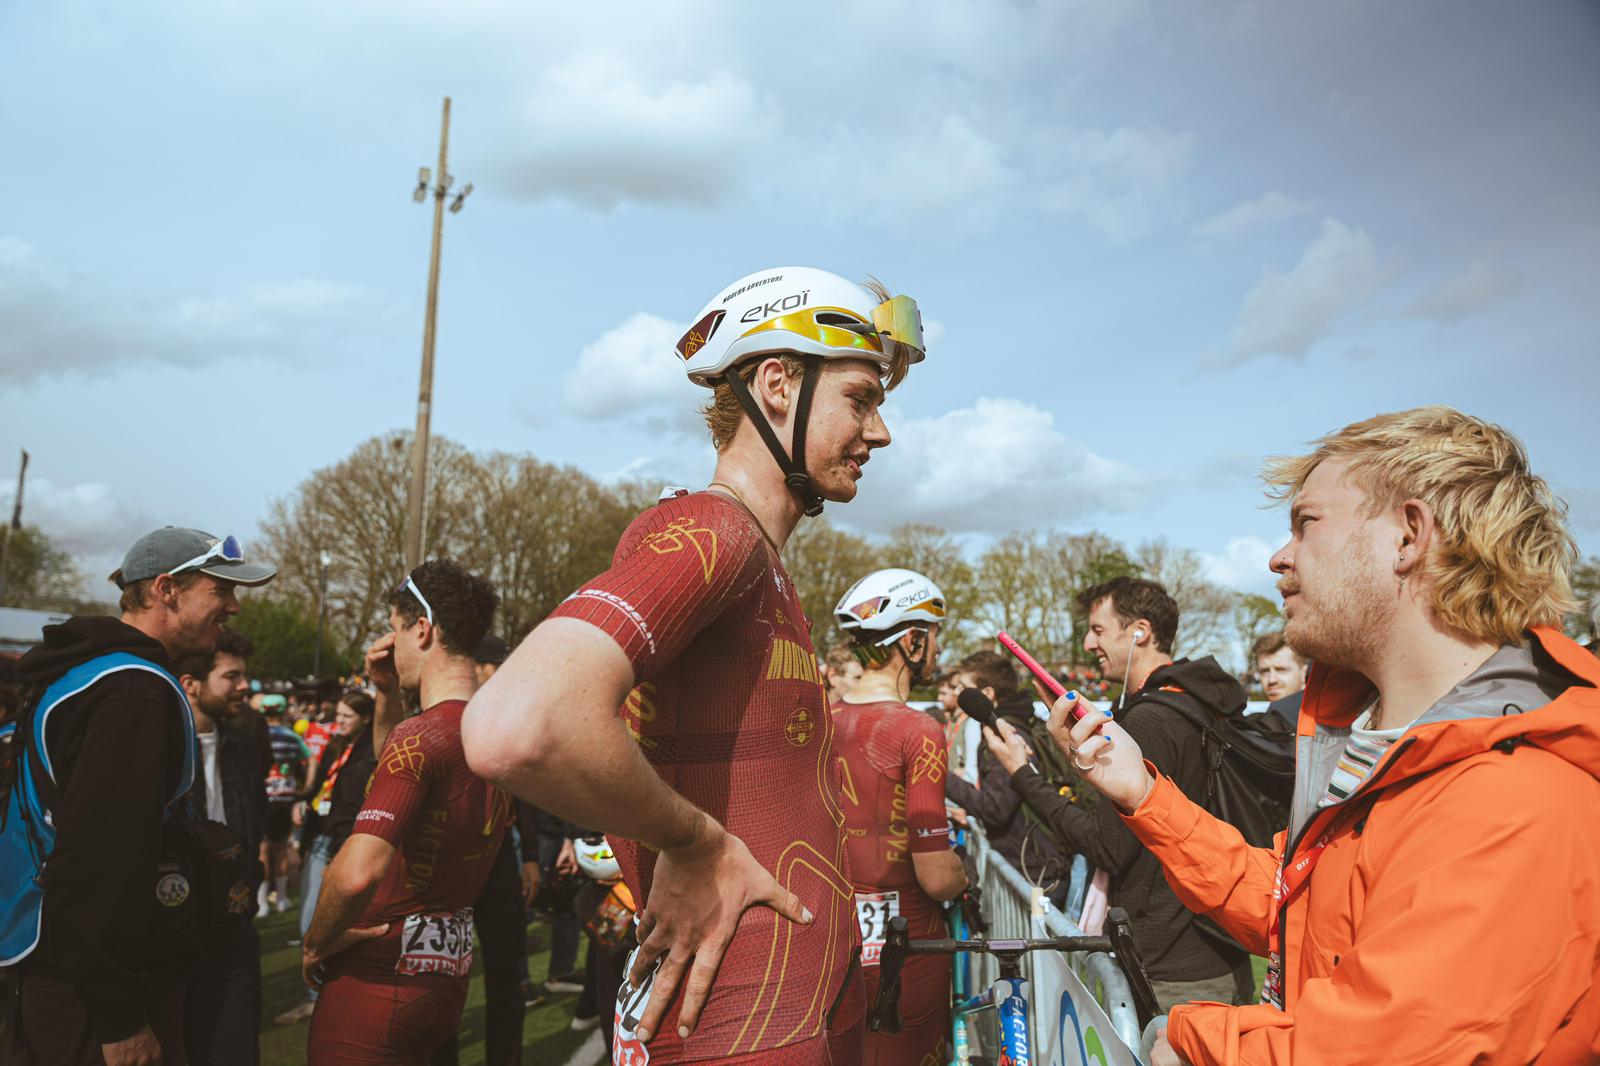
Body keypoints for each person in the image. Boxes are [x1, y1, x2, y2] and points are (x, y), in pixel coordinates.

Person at [463, 265, 929, 1063]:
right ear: (778, 383)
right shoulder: (712, 532)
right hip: (736, 1030)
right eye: (861, 397)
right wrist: (693, 842)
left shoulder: (762, 561)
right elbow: (518, 723)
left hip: (802, 1012)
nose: (880, 432)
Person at [1053, 407, 1600, 1065]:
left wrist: (1184, 1036)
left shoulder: (1517, 795)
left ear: (1408, 535)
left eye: (1305, 524)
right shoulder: (1379, 738)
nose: (1279, 557)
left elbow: (1376, 1049)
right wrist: (1142, 792)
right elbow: (1293, 906)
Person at [8, 527, 275, 1066]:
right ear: (166, 589)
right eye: (220, 589)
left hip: (54, 961)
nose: (234, 607)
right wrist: (120, 1019)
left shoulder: (93, 672)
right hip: (82, 982)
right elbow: (97, 863)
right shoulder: (133, 691)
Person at [986, 577, 1254, 1009]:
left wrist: (1022, 774)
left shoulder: (1151, 721)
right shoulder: (1197, 701)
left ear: (1140, 631)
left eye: (1097, 629)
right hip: (1213, 943)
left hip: (1173, 969)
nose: (1089, 643)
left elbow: (1106, 845)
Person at [303, 559, 508, 1064]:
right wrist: (386, 693)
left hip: (376, 981)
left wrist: (316, 940)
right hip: (445, 983)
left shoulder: (421, 737)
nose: (389, 643)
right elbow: (399, 778)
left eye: (395, 629)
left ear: (423, 630)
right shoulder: (497, 735)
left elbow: (356, 875)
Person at [830, 567, 967, 1065]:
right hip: (906, 951)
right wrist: (962, 873)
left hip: (830, 944)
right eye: (934, 637)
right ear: (911, 640)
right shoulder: (918, 729)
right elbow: (936, 876)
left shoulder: (821, 720)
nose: (938, 650)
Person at [173, 627, 269, 1066]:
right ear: (190, 685)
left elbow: (254, 821)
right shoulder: (162, 748)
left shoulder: (243, 746)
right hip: (174, 931)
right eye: (232, 676)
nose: (245, 686)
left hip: (234, 927)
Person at [274, 689, 379, 1026]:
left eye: (347, 717)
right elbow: (319, 784)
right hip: (317, 837)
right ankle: (316, 999)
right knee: (309, 924)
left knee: (330, 925)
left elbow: (355, 802)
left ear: (365, 718)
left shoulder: (371, 753)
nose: (339, 723)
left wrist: (340, 855)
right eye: (338, 716)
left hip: (342, 844)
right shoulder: (335, 746)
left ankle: (339, 1000)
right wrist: (301, 801)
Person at [943, 651, 1066, 886]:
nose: (958, 695)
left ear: (987, 694)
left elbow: (995, 808)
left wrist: (940, 776)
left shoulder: (1007, 737)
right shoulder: (1012, 724)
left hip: (1033, 869)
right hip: (1030, 862)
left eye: (963, 688)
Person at [261, 697, 313, 916]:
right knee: (281, 849)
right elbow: (312, 759)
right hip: (285, 798)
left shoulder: (259, 735)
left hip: (263, 798)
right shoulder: (292, 737)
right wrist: (307, 788)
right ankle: (281, 899)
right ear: (283, 713)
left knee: (262, 851)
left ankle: (262, 902)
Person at [1252, 629, 1307, 717]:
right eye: (1265, 671)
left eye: (1281, 669)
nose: (1271, 680)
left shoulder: (1322, 724)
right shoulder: (1255, 721)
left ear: (1304, 673)